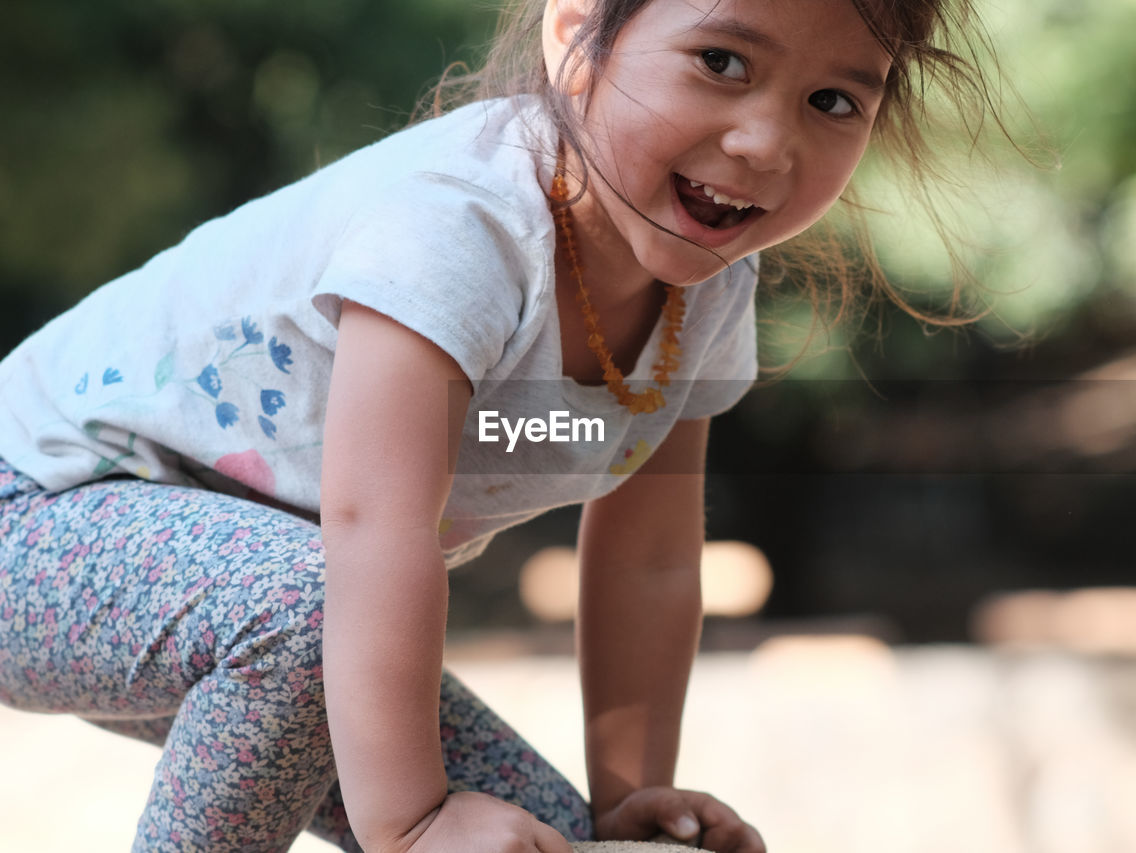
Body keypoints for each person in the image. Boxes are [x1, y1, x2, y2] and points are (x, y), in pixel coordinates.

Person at [0, 0, 1013, 850]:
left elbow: (647, 560)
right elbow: (372, 530)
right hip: (37, 517)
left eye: (831, 100)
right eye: (719, 61)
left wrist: (623, 805)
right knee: (307, 619)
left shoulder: (703, 288)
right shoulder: (461, 226)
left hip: (263, 604)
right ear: (576, 38)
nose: (764, 139)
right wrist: (409, 825)